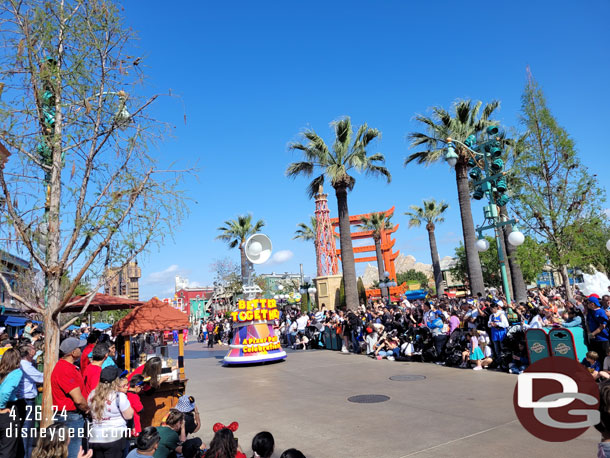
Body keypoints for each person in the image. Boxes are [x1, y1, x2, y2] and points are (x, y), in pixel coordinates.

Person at [51, 337, 89, 458]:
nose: (81, 349)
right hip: (70, 416)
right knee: (73, 452)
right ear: (73, 352)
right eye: (79, 348)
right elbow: (78, 399)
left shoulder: (67, 367)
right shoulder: (65, 369)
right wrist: (87, 409)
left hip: (69, 415)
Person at [88, 366, 133, 458]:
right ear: (115, 381)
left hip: (96, 438)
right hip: (115, 438)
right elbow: (129, 416)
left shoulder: (92, 394)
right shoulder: (119, 396)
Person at [17, 343, 44, 457]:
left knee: (28, 431)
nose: (35, 350)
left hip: (26, 400)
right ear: (29, 353)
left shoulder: (26, 364)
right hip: (27, 400)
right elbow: (42, 377)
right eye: (33, 349)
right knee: (26, 432)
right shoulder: (25, 365)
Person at [0, 348, 23, 458]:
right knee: (8, 448)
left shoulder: (2, 373)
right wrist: (0, 407)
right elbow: (4, 392)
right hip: (8, 409)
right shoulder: (16, 373)